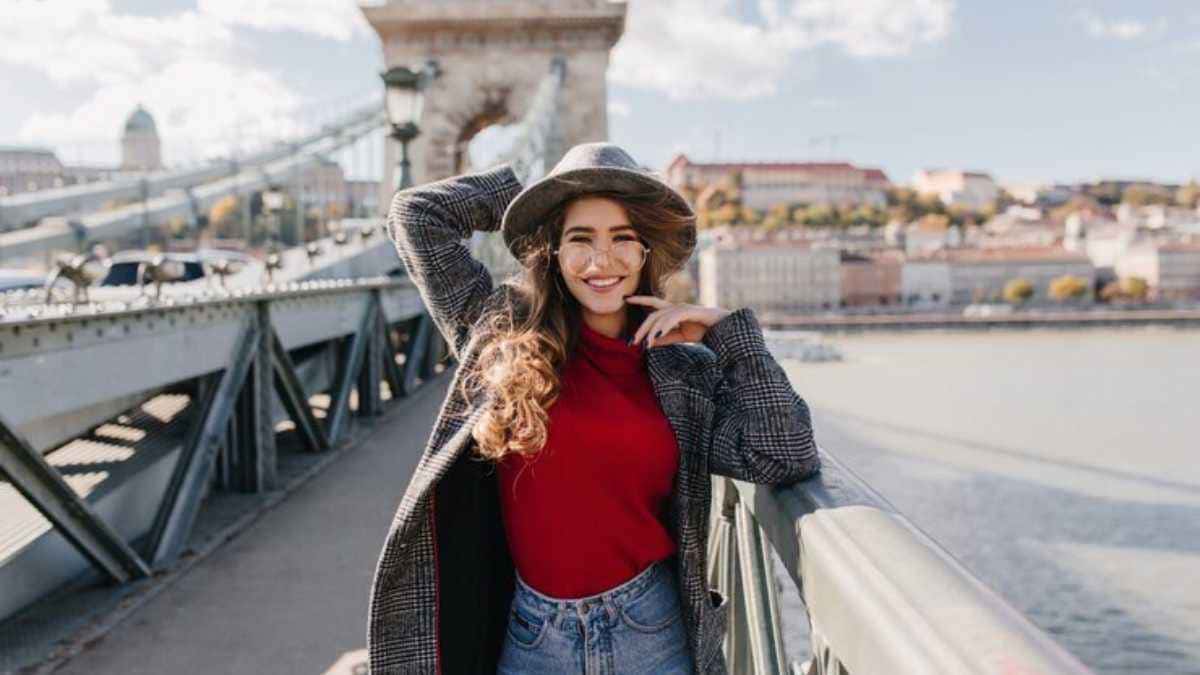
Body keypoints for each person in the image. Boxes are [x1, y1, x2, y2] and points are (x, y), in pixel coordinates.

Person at [366, 142, 819, 674]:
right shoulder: (502, 334)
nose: (602, 261)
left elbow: (784, 453)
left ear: (645, 251)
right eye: (580, 239)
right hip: (533, 639)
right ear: (553, 253)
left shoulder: (685, 372)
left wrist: (727, 334)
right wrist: (537, 197)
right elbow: (417, 214)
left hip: (651, 632)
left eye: (622, 239)